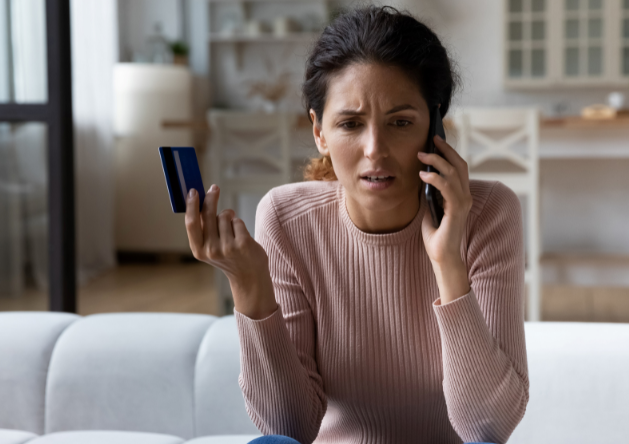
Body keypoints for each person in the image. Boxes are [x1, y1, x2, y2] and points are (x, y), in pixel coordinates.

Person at [184, 6, 529, 444]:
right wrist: (252, 288)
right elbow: (288, 428)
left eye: (401, 122)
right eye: (350, 123)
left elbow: (489, 428)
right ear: (319, 132)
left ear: (434, 127)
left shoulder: (488, 212)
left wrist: (449, 265)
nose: (374, 150)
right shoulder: (287, 218)